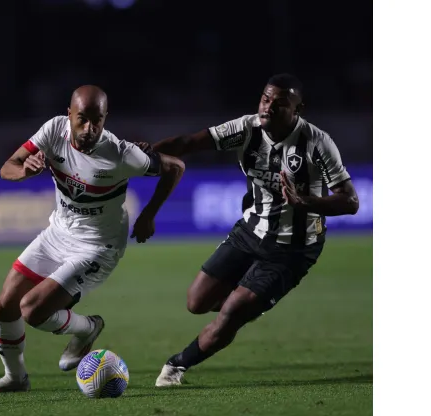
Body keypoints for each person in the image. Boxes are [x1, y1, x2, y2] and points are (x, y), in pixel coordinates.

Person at [143, 74, 360, 387]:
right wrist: (143, 156)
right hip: (250, 230)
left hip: (292, 248)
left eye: (280, 103)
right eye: (265, 99)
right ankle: (249, 304)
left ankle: (177, 365)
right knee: (196, 302)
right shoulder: (247, 128)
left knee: (231, 312)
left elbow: (350, 201)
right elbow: (190, 143)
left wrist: (305, 202)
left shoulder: (316, 142)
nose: (268, 107)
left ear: (298, 109)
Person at [0, 85, 186, 395]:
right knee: (5, 306)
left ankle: (88, 327)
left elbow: (175, 167)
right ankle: (15, 378)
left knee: (32, 310)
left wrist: (148, 215)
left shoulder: (120, 153)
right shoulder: (52, 130)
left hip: (98, 247)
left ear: (105, 118)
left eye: (97, 120)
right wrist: (23, 172)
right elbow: (9, 166)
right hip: (58, 232)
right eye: (82, 119)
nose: (89, 129)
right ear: (69, 114)